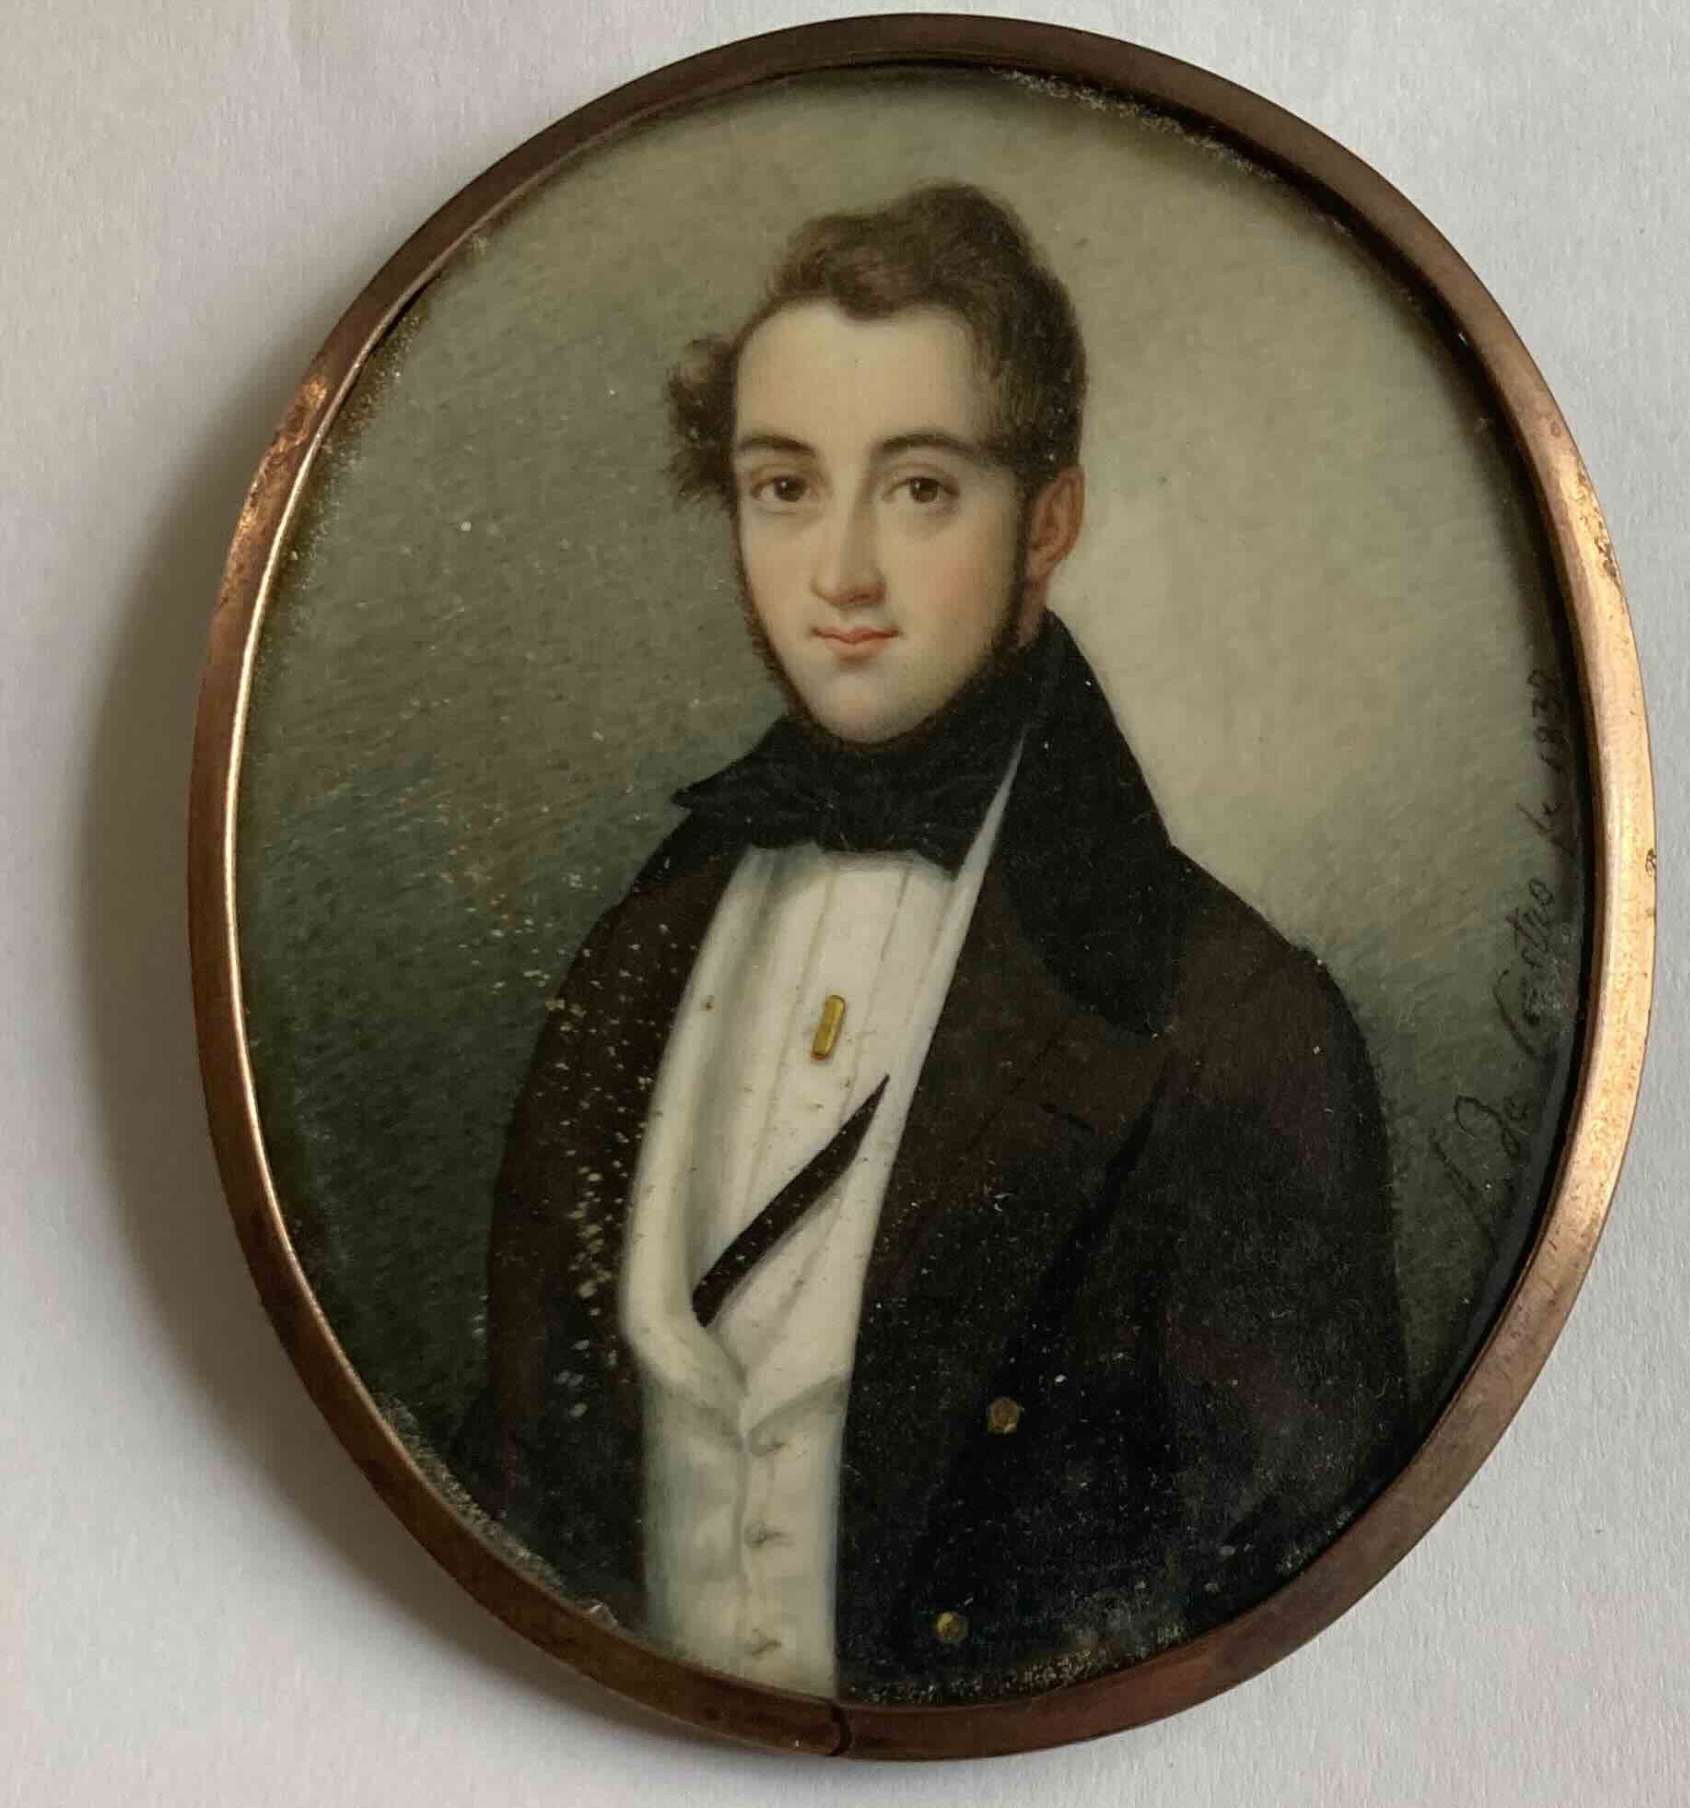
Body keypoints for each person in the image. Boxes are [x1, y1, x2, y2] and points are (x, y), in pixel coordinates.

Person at [454, 183, 1409, 1706]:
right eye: (784, 486)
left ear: (1050, 523)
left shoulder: (1235, 1026)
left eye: (917, 490)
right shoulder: (631, 962)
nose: (841, 573)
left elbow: (1282, 1612)